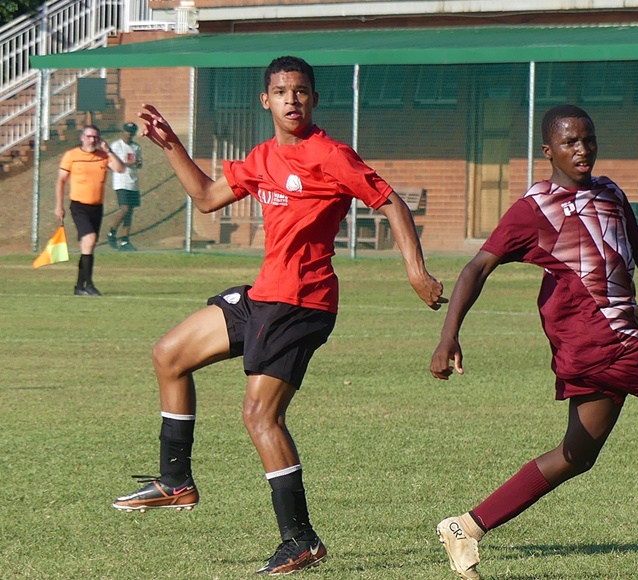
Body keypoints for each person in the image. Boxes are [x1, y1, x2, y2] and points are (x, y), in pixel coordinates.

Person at [110, 56, 447, 576]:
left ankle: (301, 540)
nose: (292, 99)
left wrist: (415, 271)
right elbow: (205, 198)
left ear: (313, 100)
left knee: (260, 415)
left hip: (303, 302)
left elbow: (391, 203)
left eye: (302, 91)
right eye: (282, 91)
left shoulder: (332, 155)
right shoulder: (262, 156)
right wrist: (172, 145)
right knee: (169, 355)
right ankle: (175, 481)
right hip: (265, 296)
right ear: (265, 100)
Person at [430, 104, 638, 579]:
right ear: (548, 151)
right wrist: (448, 336)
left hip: (594, 349)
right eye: (569, 142)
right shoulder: (534, 208)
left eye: (588, 139)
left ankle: (466, 526)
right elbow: (476, 268)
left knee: (576, 455)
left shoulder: (610, 192)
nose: (582, 150)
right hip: (611, 344)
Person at [54, 124, 126, 296]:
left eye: (95, 137)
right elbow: (61, 181)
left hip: (97, 207)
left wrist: (108, 151)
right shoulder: (71, 156)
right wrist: (59, 206)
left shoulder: (102, 156)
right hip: (79, 205)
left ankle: (79, 286)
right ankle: (89, 284)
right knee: (90, 240)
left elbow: (120, 169)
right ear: (82, 137)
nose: (92, 140)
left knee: (88, 246)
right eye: (89, 136)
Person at [106, 122, 144, 251]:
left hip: (133, 182)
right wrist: (128, 162)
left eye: (132, 131)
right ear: (123, 131)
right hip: (121, 181)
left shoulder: (136, 147)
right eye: (127, 131)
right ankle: (111, 232)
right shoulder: (116, 146)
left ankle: (125, 240)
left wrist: (138, 163)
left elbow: (139, 164)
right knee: (125, 209)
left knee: (130, 212)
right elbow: (111, 163)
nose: (129, 134)